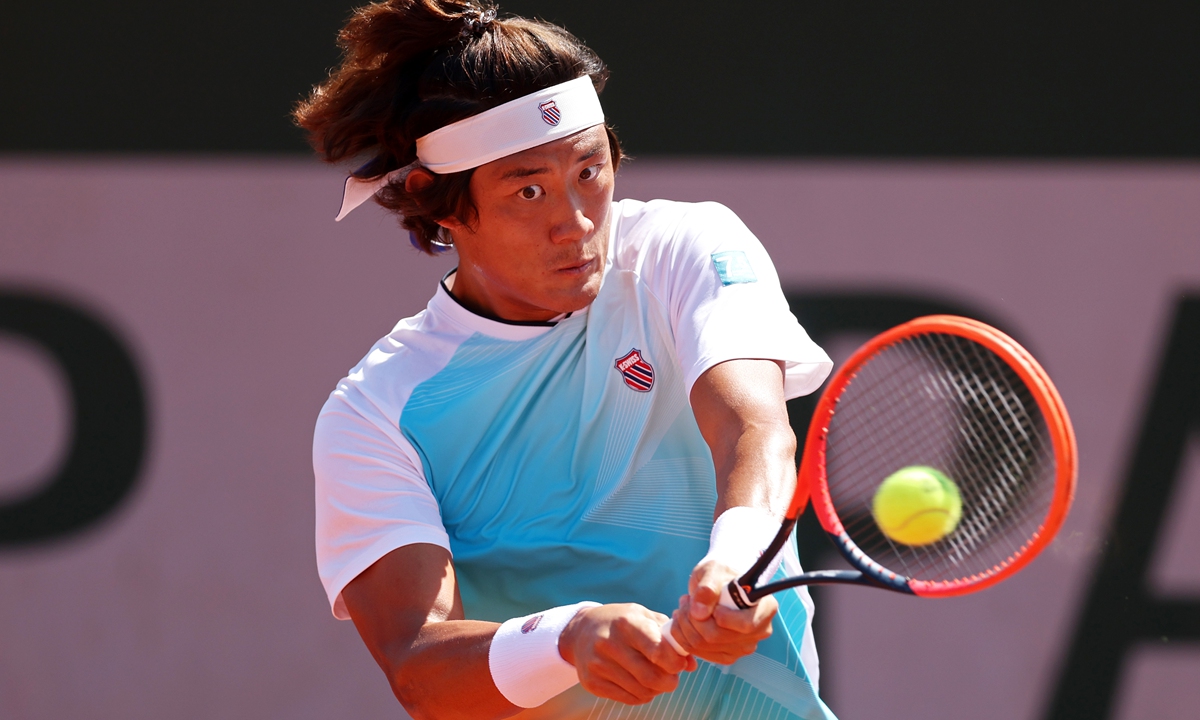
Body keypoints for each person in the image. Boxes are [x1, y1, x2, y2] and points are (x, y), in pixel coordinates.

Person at [297, 2, 837, 718]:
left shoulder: (683, 247)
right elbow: (416, 667)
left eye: (590, 170)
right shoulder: (376, 413)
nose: (578, 222)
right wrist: (567, 638)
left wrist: (737, 558)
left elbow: (754, 429)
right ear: (441, 204)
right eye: (528, 190)